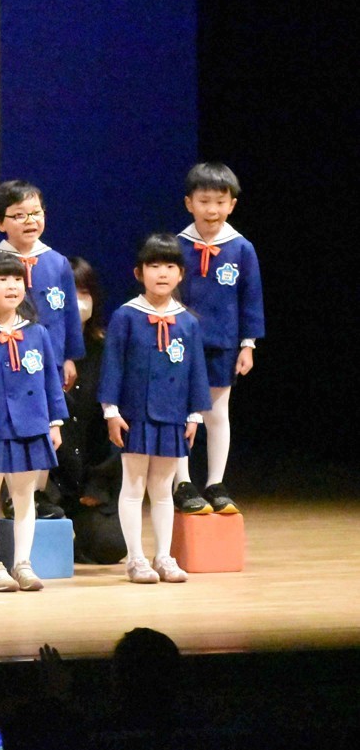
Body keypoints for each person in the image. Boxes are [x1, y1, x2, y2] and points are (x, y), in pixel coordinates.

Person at [100, 234, 212, 584]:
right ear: (139, 272)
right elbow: (112, 366)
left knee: (163, 491)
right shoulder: (126, 316)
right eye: (153, 266)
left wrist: (194, 415)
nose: (162, 273)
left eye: (169, 266)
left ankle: (163, 556)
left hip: (173, 416)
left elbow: (196, 371)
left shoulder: (188, 322)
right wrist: (111, 411)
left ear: (181, 274)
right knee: (133, 487)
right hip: (135, 416)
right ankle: (136, 559)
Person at [0, 252, 67, 592]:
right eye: (2, 279)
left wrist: (55, 422)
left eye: (17, 279)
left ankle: (22, 563)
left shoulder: (38, 333)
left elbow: (51, 380)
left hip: (32, 426)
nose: (11, 286)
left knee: (24, 498)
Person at [0, 180, 84, 521]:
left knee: (45, 428)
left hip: (50, 361)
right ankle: (11, 494)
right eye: (18, 215)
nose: (29, 221)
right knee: (12, 428)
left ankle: (37, 492)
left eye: (36, 213)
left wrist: (69, 356)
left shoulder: (57, 262)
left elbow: (69, 314)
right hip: (9, 361)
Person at [174, 162, 264, 515]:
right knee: (180, 413)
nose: (212, 209)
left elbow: (250, 299)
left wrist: (248, 344)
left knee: (216, 414)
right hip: (180, 345)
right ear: (189, 203)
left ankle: (215, 483)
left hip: (222, 343)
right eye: (204, 201)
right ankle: (183, 483)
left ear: (232, 205)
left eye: (220, 202)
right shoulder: (177, 245)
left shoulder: (241, 248)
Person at [57, 258, 126, 564]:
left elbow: (117, 420)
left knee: (110, 547)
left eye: (84, 293)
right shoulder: (36, 346)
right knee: (39, 546)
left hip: (89, 477)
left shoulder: (107, 348)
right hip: (50, 477)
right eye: (68, 294)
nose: (77, 302)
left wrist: (99, 483)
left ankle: (80, 540)